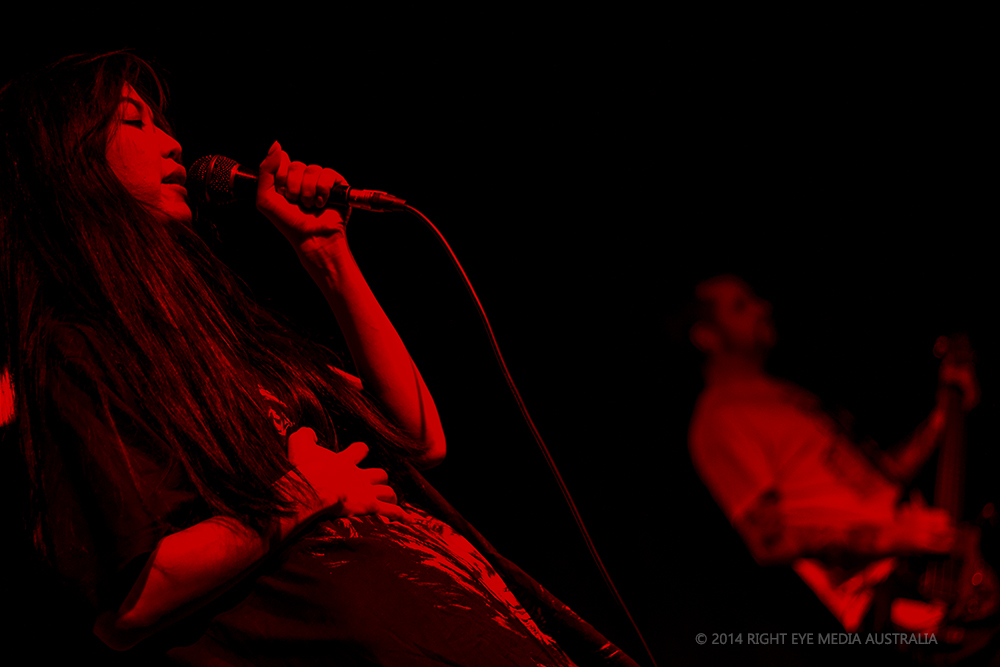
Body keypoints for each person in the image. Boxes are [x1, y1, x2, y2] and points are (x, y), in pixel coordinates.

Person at [1, 52, 635, 666]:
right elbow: (130, 607)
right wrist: (305, 492)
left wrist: (327, 252)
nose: (172, 143)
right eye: (132, 121)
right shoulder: (79, 347)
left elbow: (418, 440)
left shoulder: (224, 338)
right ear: (68, 159)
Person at [685, 274, 986, 633]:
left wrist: (941, 418)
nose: (763, 307)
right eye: (740, 306)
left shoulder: (785, 392)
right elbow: (769, 542)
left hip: (927, 559)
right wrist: (897, 537)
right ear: (706, 336)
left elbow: (878, 477)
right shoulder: (719, 419)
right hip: (894, 596)